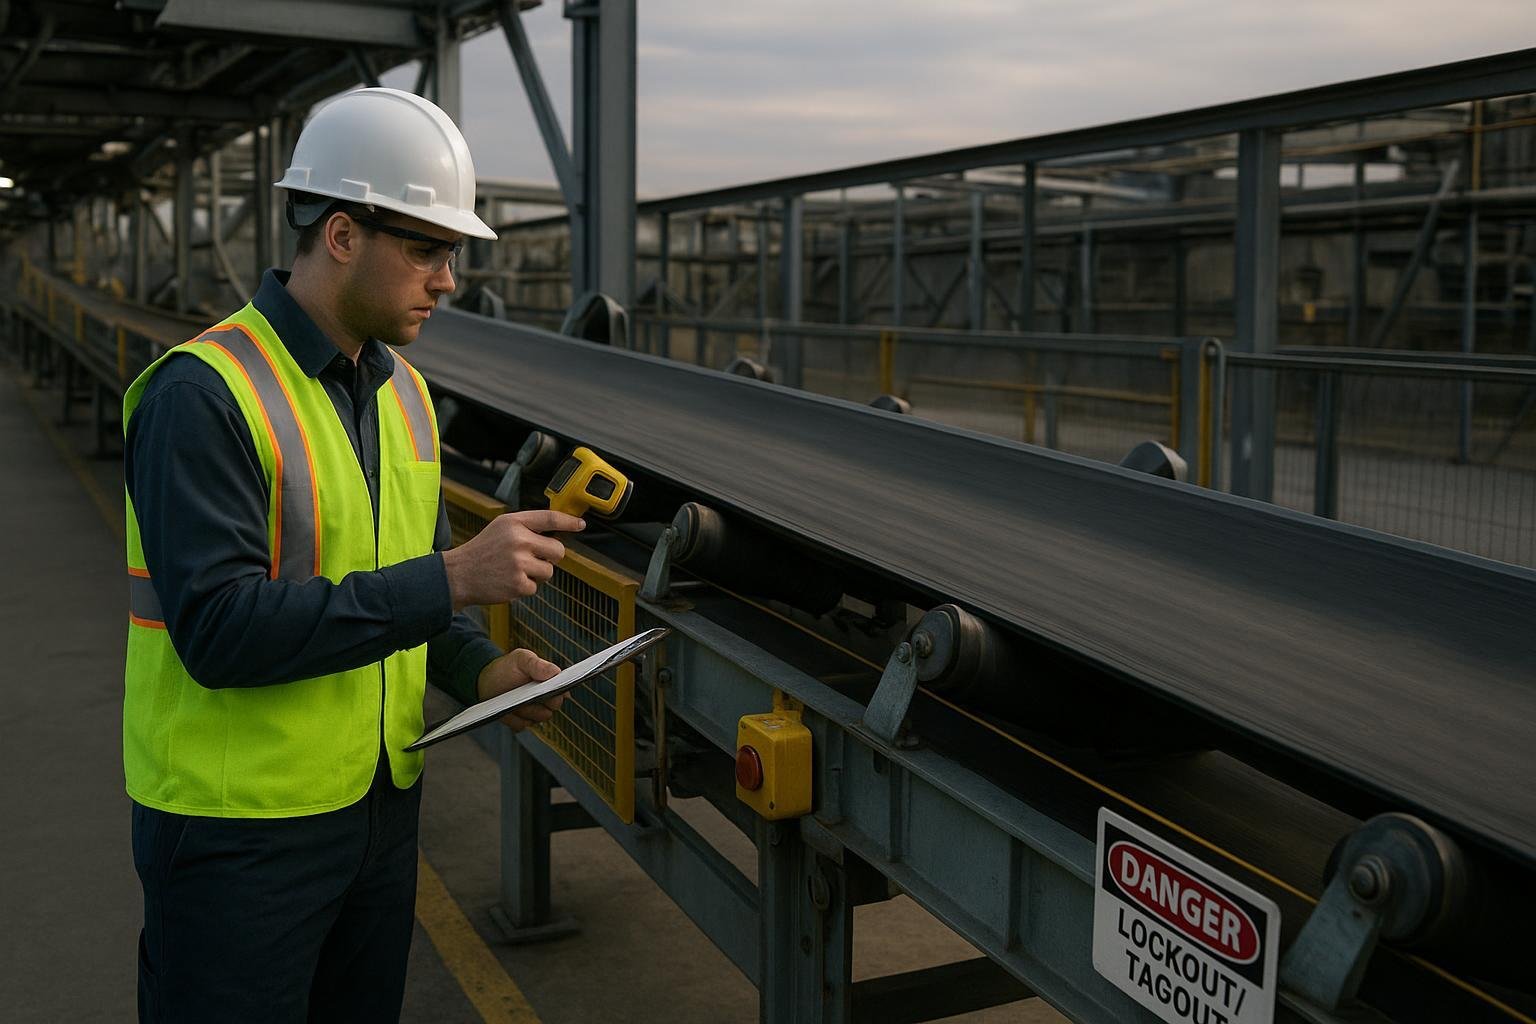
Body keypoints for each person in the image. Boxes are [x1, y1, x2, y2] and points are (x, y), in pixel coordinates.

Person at [122, 87, 579, 1023]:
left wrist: (482, 669)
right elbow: (220, 631)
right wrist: (454, 576)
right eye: (425, 249)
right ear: (340, 234)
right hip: (236, 833)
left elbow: (412, 598)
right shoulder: (202, 396)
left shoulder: (403, 395)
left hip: (376, 816)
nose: (447, 279)